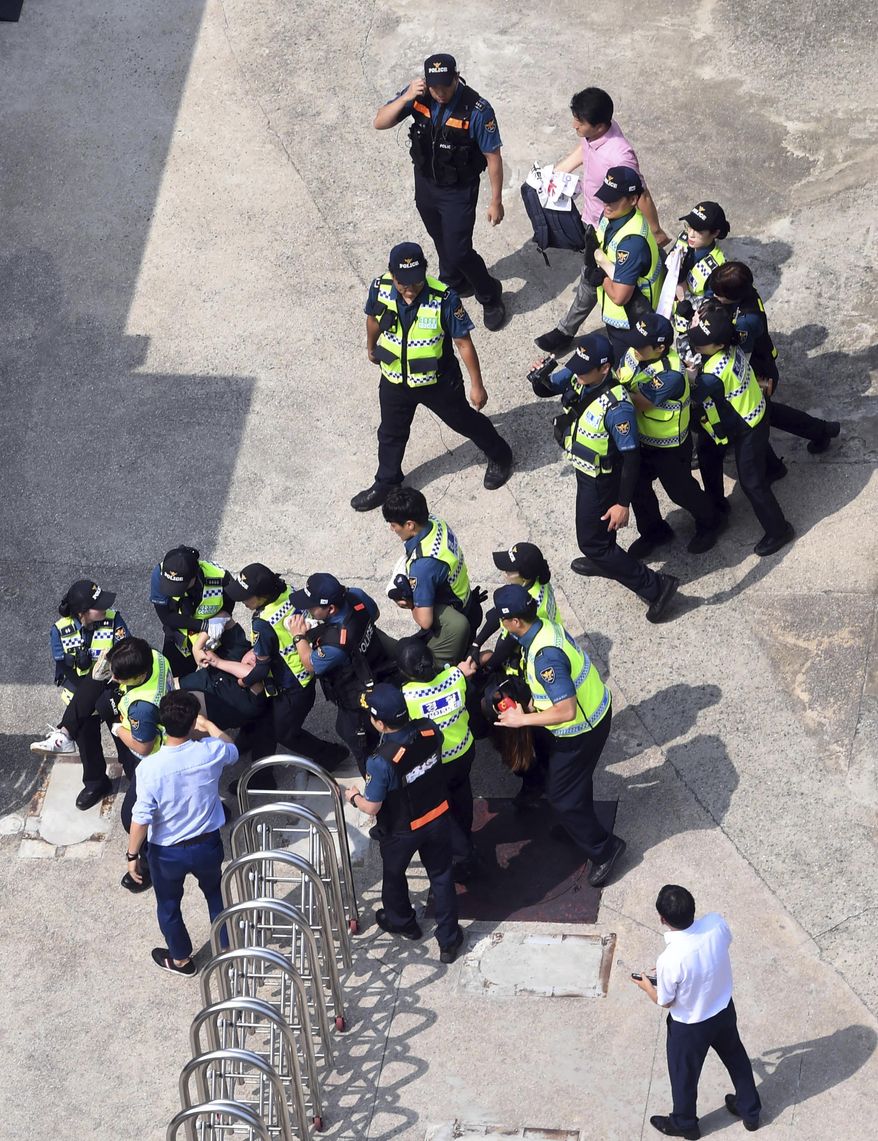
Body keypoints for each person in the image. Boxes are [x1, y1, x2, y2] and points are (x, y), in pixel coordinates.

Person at [351, 242, 513, 512]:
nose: (410, 289)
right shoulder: (380, 288)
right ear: (392, 275)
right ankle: (386, 481)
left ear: (425, 271)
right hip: (393, 378)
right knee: (390, 433)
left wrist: (477, 386)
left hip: (436, 381)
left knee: (464, 421)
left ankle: (500, 455)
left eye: (415, 281)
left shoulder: (444, 298)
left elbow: (463, 343)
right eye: (403, 283)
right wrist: (371, 347)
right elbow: (373, 320)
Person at [486, 585, 626, 887]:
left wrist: (523, 718)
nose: (500, 624)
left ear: (514, 622)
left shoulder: (544, 656)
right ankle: (578, 828)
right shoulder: (542, 628)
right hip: (589, 715)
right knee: (571, 787)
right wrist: (536, 703)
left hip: (582, 729)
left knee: (562, 797)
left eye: (502, 620)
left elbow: (567, 711)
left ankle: (605, 850)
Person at [534, 332, 678, 622]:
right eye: (576, 366)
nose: (576, 372)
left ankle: (657, 587)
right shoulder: (581, 374)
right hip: (585, 469)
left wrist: (622, 504)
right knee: (599, 538)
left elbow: (631, 457)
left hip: (601, 480)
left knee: (591, 543)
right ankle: (608, 559)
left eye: (584, 369)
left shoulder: (618, 408)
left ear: (604, 369)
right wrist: (539, 376)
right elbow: (547, 388)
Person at [373, 53, 506, 330]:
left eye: (446, 85)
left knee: (459, 250)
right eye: (434, 87)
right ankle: (455, 280)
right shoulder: (418, 96)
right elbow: (380, 122)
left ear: (457, 77)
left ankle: (490, 293)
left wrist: (496, 201)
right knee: (439, 237)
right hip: (426, 185)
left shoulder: (477, 110)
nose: (440, 92)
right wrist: (406, 97)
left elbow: (493, 157)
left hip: (459, 190)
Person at [535, 86, 670, 355]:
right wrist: (553, 175)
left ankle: (567, 331)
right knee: (591, 278)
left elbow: (639, 194)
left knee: (592, 278)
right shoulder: (594, 135)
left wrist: (655, 230)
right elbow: (582, 151)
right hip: (597, 222)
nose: (574, 124)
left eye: (579, 121)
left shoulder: (620, 156)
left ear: (599, 126)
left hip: (609, 229)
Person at [343, 683, 464, 963]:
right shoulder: (429, 729)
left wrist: (353, 797)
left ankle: (403, 922)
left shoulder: (380, 761)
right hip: (437, 815)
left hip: (402, 829)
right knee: (442, 876)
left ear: (379, 723)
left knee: (394, 875)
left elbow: (372, 807)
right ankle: (448, 941)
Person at [632, 884, 762, 1137]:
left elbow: (665, 1001)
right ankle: (750, 1112)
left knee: (685, 1076)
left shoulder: (670, 959)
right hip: (724, 1010)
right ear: (693, 907)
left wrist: (647, 986)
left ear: (662, 918)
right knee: (737, 1059)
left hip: (690, 1027)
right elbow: (713, 952)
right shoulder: (716, 923)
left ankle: (685, 1124)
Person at [125, 691, 238, 977]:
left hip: (167, 854)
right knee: (215, 894)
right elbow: (232, 749)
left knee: (169, 906)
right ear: (192, 723)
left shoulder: (149, 768)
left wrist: (132, 855)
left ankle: (181, 960)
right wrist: (210, 726)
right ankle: (226, 948)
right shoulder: (211, 751)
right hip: (207, 845)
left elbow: (140, 819)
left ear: (162, 724)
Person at [687, 304, 794, 556]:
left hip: (746, 426)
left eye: (701, 344)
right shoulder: (732, 346)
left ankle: (779, 530)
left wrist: (688, 376)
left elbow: (695, 392)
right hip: (753, 411)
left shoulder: (713, 374)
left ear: (718, 345)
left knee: (751, 483)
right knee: (707, 455)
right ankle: (771, 471)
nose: (696, 346)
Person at [218, 563, 348, 769]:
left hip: (290, 687)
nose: (242, 602)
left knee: (285, 733)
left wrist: (244, 681)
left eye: (246, 597)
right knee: (266, 717)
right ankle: (249, 745)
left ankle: (331, 755)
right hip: (302, 674)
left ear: (262, 596)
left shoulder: (263, 622)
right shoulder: (287, 591)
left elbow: (261, 668)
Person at [616, 312, 723, 555]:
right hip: (639, 440)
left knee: (681, 491)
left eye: (640, 345)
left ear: (660, 347)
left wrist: (611, 393)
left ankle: (711, 521)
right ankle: (654, 532)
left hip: (669, 446)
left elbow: (641, 402)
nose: (634, 348)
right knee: (636, 488)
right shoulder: (634, 353)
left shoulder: (670, 374)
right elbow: (620, 373)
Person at [708, 261, 840, 456]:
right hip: (758, 362)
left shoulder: (746, 321)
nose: (714, 297)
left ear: (733, 295)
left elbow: (740, 354)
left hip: (756, 370)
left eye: (719, 294)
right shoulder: (744, 293)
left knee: (765, 413)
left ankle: (822, 431)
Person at [30, 579, 131, 809]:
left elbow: (126, 650)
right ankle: (96, 783)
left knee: (125, 740)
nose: (105, 607)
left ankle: (137, 778)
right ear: (82, 612)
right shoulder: (60, 630)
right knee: (88, 747)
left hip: (111, 691)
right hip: (78, 696)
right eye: (99, 605)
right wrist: (86, 689)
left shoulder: (114, 619)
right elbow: (63, 668)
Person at [285, 573, 396, 775]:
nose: (307, 610)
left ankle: (376, 783)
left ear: (331, 608)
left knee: (358, 740)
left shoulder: (336, 644)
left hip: (357, 694)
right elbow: (375, 613)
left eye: (312, 607)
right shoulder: (355, 595)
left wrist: (298, 636)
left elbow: (311, 664)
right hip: (377, 665)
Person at [397, 637, 477, 881]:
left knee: (443, 809)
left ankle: (463, 856)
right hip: (464, 752)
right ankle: (467, 834)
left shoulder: (407, 696)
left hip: (438, 763)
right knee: (463, 795)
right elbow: (463, 676)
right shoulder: (454, 677)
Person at [382, 486, 484, 663]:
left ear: (410, 525)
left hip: (452, 624)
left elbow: (425, 621)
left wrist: (409, 603)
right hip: (469, 603)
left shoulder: (423, 566)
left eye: (393, 524)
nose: (392, 529)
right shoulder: (436, 522)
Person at [105, 636, 173, 892]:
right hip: (170, 736)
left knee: (130, 817)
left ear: (136, 675)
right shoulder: (155, 657)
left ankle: (148, 864)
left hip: (155, 760)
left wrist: (119, 730)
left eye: (118, 676)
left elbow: (143, 745)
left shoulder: (141, 708)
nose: (113, 678)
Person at [589, 166, 665, 364]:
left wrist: (602, 278)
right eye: (606, 196)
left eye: (614, 199)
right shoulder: (611, 215)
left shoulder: (631, 243)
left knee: (630, 372)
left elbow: (620, 296)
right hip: (618, 320)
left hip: (632, 324)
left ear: (633, 200)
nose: (606, 203)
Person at [149, 546, 239, 677]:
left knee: (223, 679)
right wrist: (205, 626)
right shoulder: (159, 574)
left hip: (214, 635)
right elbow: (166, 617)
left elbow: (228, 605)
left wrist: (216, 623)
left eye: (180, 587)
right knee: (174, 680)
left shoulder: (221, 578)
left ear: (194, 576)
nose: (173, 591)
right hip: (178, 635)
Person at [671, 201, 730, 340]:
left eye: (698, 231)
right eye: (689, 226)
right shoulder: (684, 237)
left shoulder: (718, 267)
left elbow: (710, 309)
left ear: (715, 233)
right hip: (672, 311)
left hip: (692, 326)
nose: (691, 234)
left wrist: (683, 294)